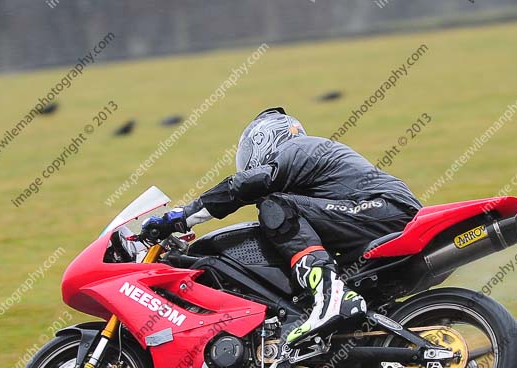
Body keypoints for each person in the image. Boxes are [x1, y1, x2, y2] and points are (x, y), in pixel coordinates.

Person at [142, 107, 421, 347]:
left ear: (265, 139)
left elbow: (246, 184)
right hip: (376, 216)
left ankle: (331, 297)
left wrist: (180, 217)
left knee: (276, 207)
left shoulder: (298, 148)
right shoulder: (306, 172)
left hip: (384, 210)